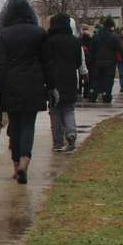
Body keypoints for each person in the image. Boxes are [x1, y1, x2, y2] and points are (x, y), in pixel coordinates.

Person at [0, 0, 54, 184]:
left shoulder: (4, 34)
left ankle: (16, 163)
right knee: (28, 124)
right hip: (34, 84)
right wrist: (51, 87)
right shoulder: (39, 33)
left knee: (15, 125)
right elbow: (47, 63)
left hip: (10, 85)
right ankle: (26, 160)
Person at [43, 14, 84, 152]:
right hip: (71, 78)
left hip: (54, 79)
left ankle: (58, 142)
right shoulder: (74, 41)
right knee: (68, 109)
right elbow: (79, 62)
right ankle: (71, 133)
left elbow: (46, 61)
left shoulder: (49, 41)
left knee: (55, 111)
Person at [87, 18, 123, 104]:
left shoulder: (96, 36)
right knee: (108, 80)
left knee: (95, 79)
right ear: (111, 27)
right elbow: (121, 50)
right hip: (110, 63)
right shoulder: (114, 37)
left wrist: (90, 62)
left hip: (96, 63)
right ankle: (106, 95)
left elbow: (91, 50)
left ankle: (93, 94)